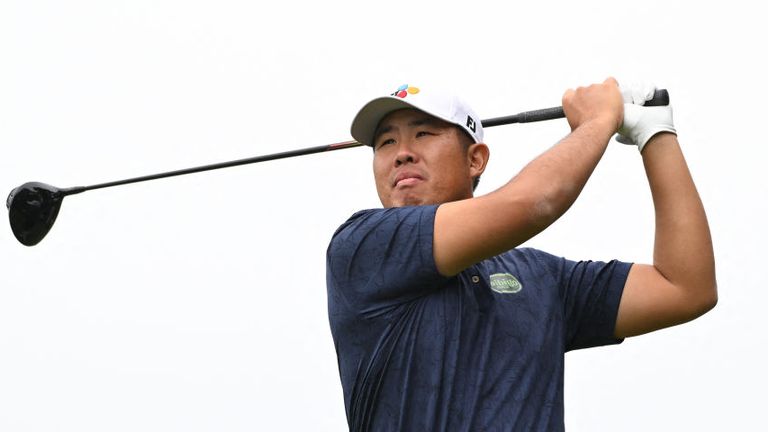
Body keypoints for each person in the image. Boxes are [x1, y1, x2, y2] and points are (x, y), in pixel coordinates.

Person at [325, 78, 717, 431]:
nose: (401, 154)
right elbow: (533, 202)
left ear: (475, 159)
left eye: (423, 133)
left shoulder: (539, 277)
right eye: (386, 142)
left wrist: (656, 134)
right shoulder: (365, 246)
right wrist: (597, 122)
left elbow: (684, 287)